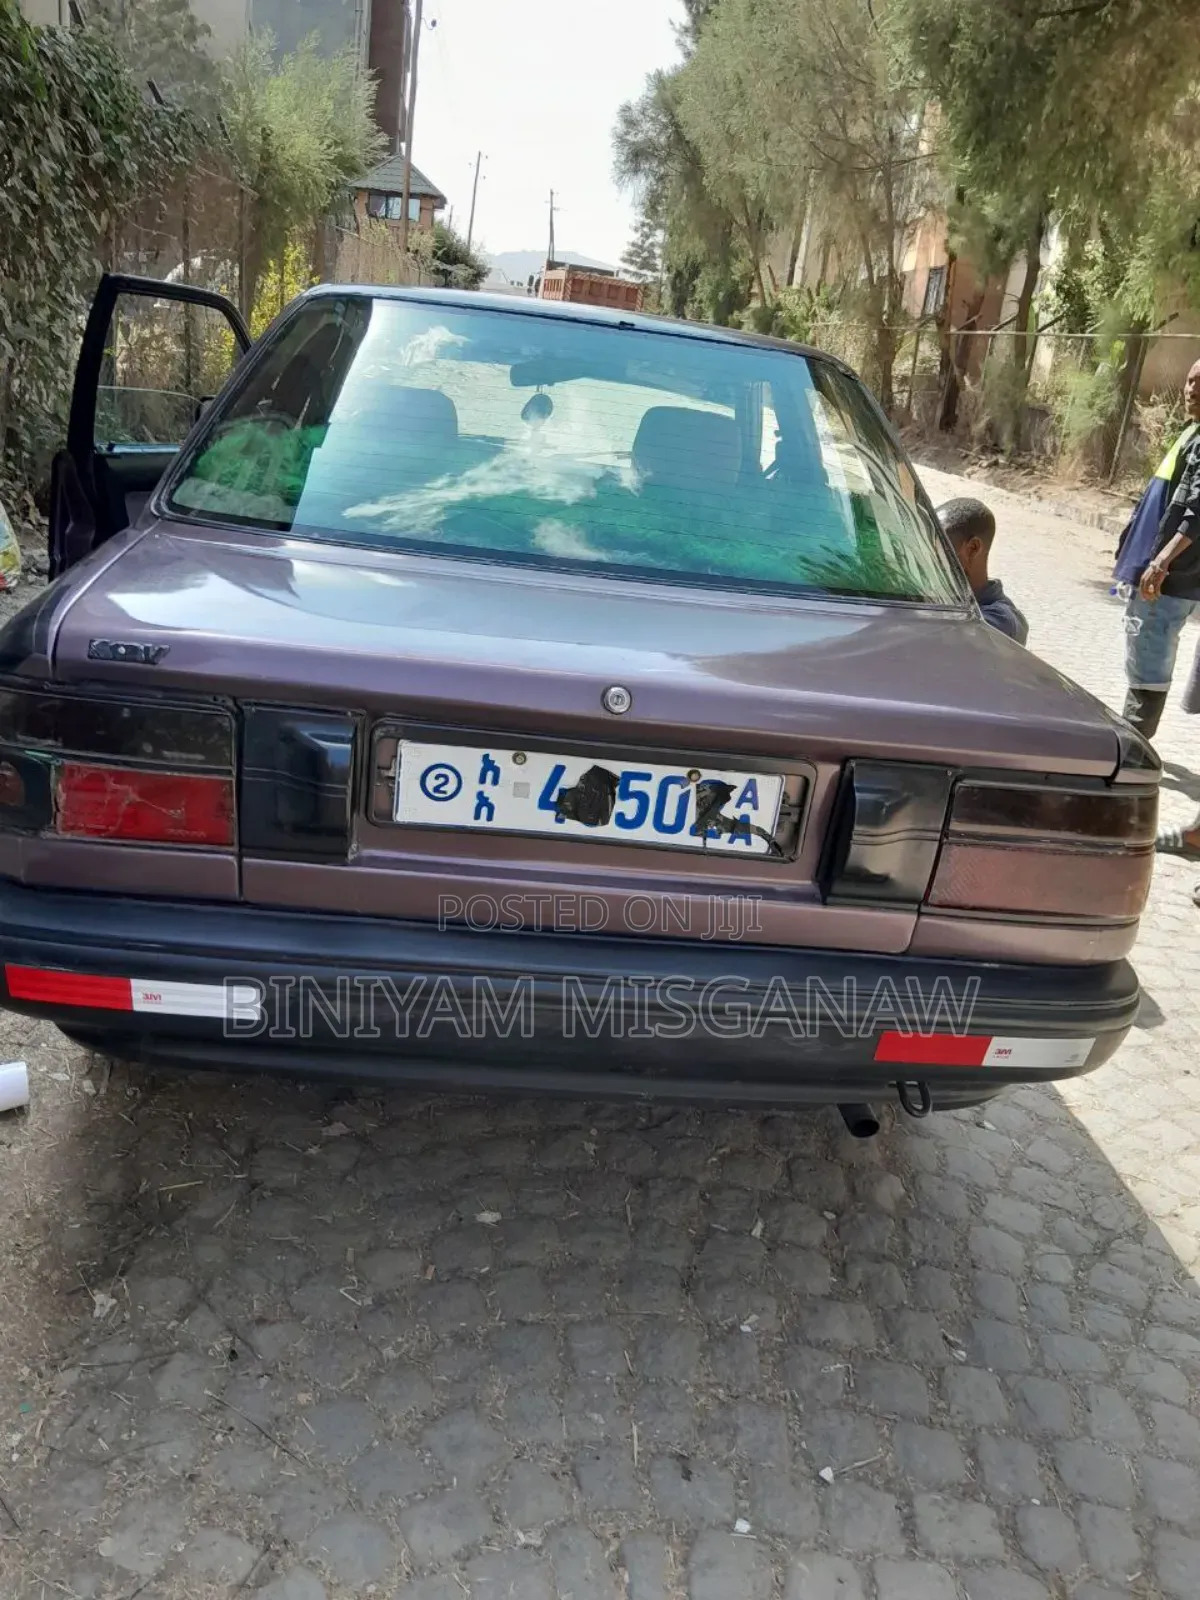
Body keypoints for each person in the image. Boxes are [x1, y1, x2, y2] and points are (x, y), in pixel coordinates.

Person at [1111, 357, 1200, 740]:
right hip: (1160, 572)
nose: (1192, 389)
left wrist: (1161, 562)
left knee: (1150, 657)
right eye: (1191, 380)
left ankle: (1134, 748)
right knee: (1146, 653)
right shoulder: (1191, 432)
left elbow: (1197, 511)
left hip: (1168, 579)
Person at [938, 497, 1029, 644]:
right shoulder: (947, 598)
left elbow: (941, 634)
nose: (932, 558)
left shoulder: (1003, 620)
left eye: (940, 548)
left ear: (972, 549)